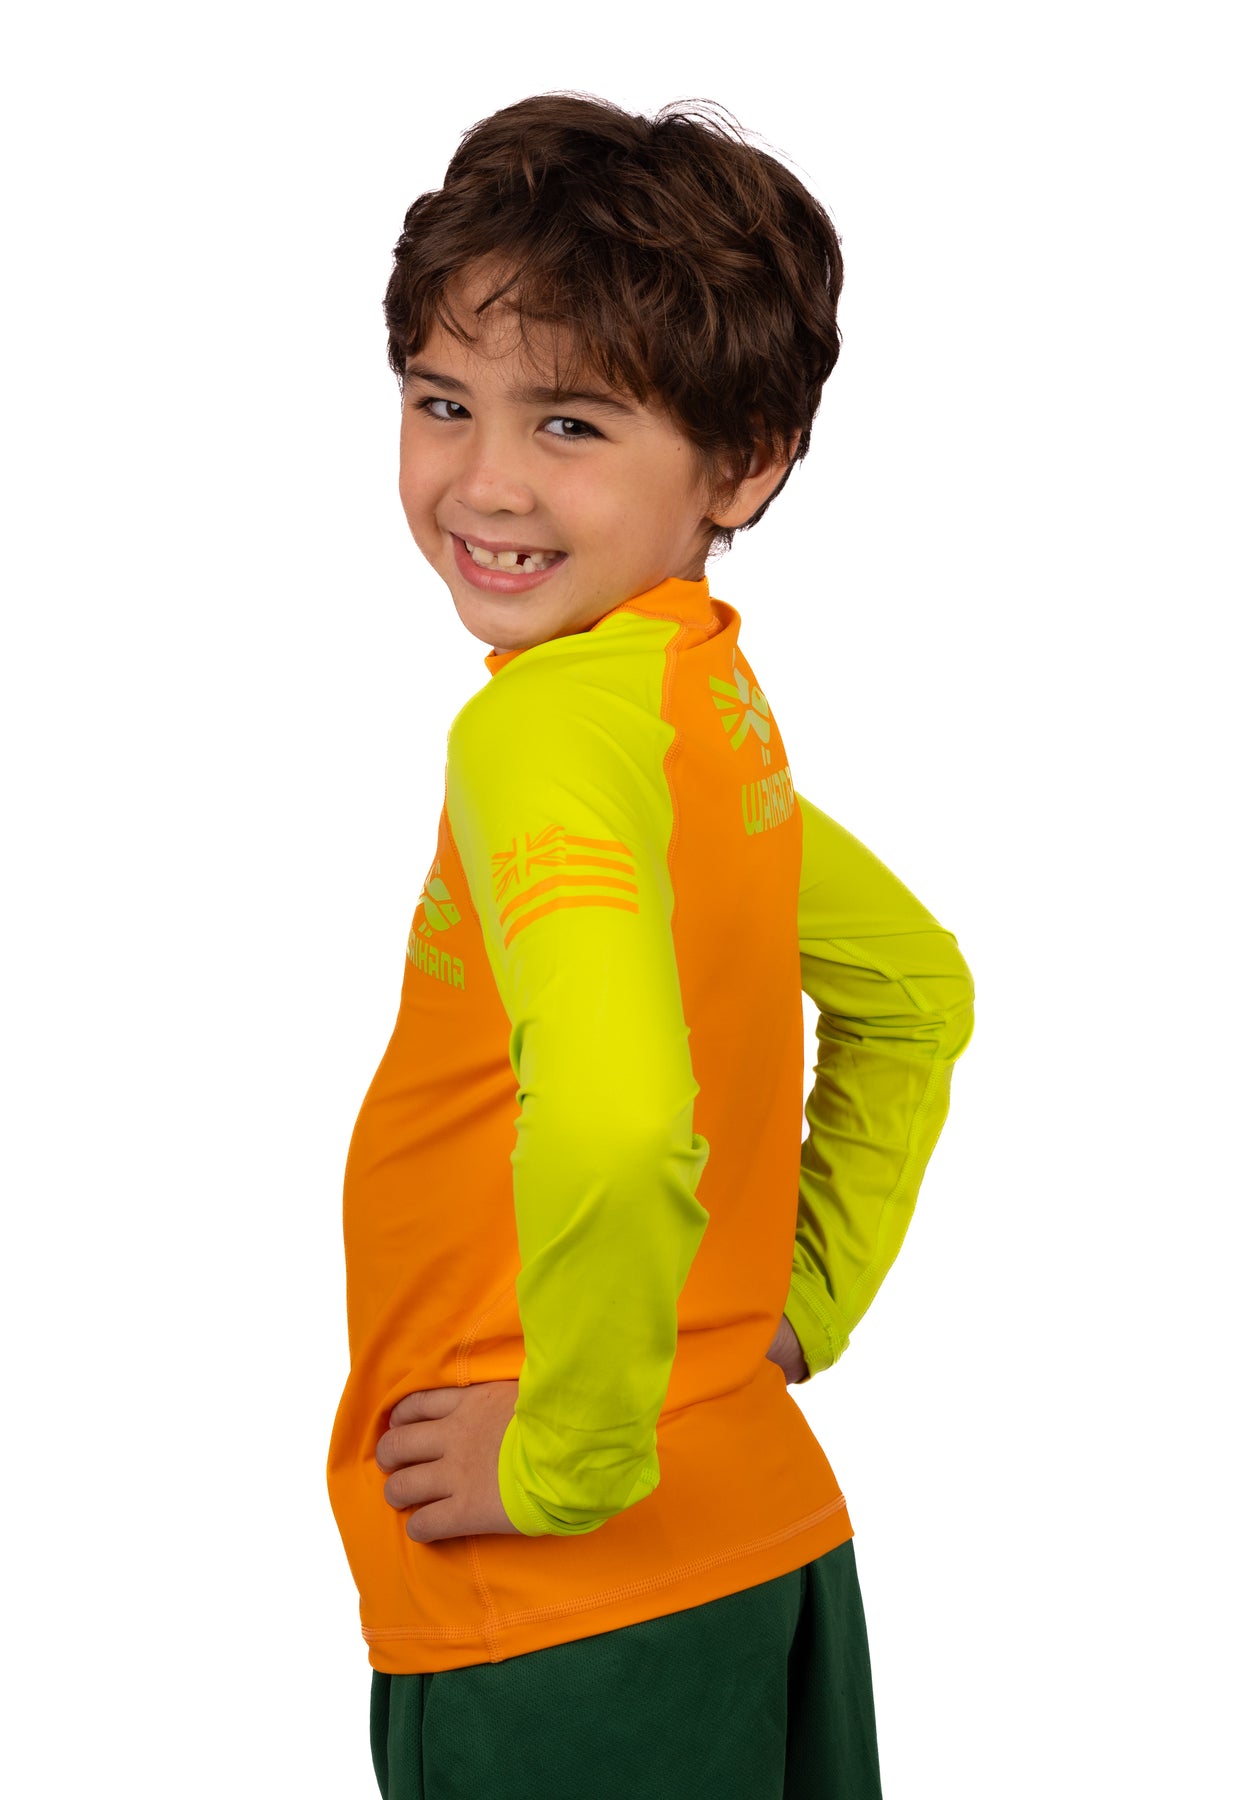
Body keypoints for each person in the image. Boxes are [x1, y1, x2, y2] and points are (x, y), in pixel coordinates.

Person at [326, 92, 975, 1800]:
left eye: (571, 422)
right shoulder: (691, 697)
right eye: (442, 401)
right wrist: (802, 1299)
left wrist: (567, 1457)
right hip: (753, 1530)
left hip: (558, 1617)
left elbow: (617, 1119)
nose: (482, 480)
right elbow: (914, 990)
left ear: (743, 463)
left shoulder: (546, 730)